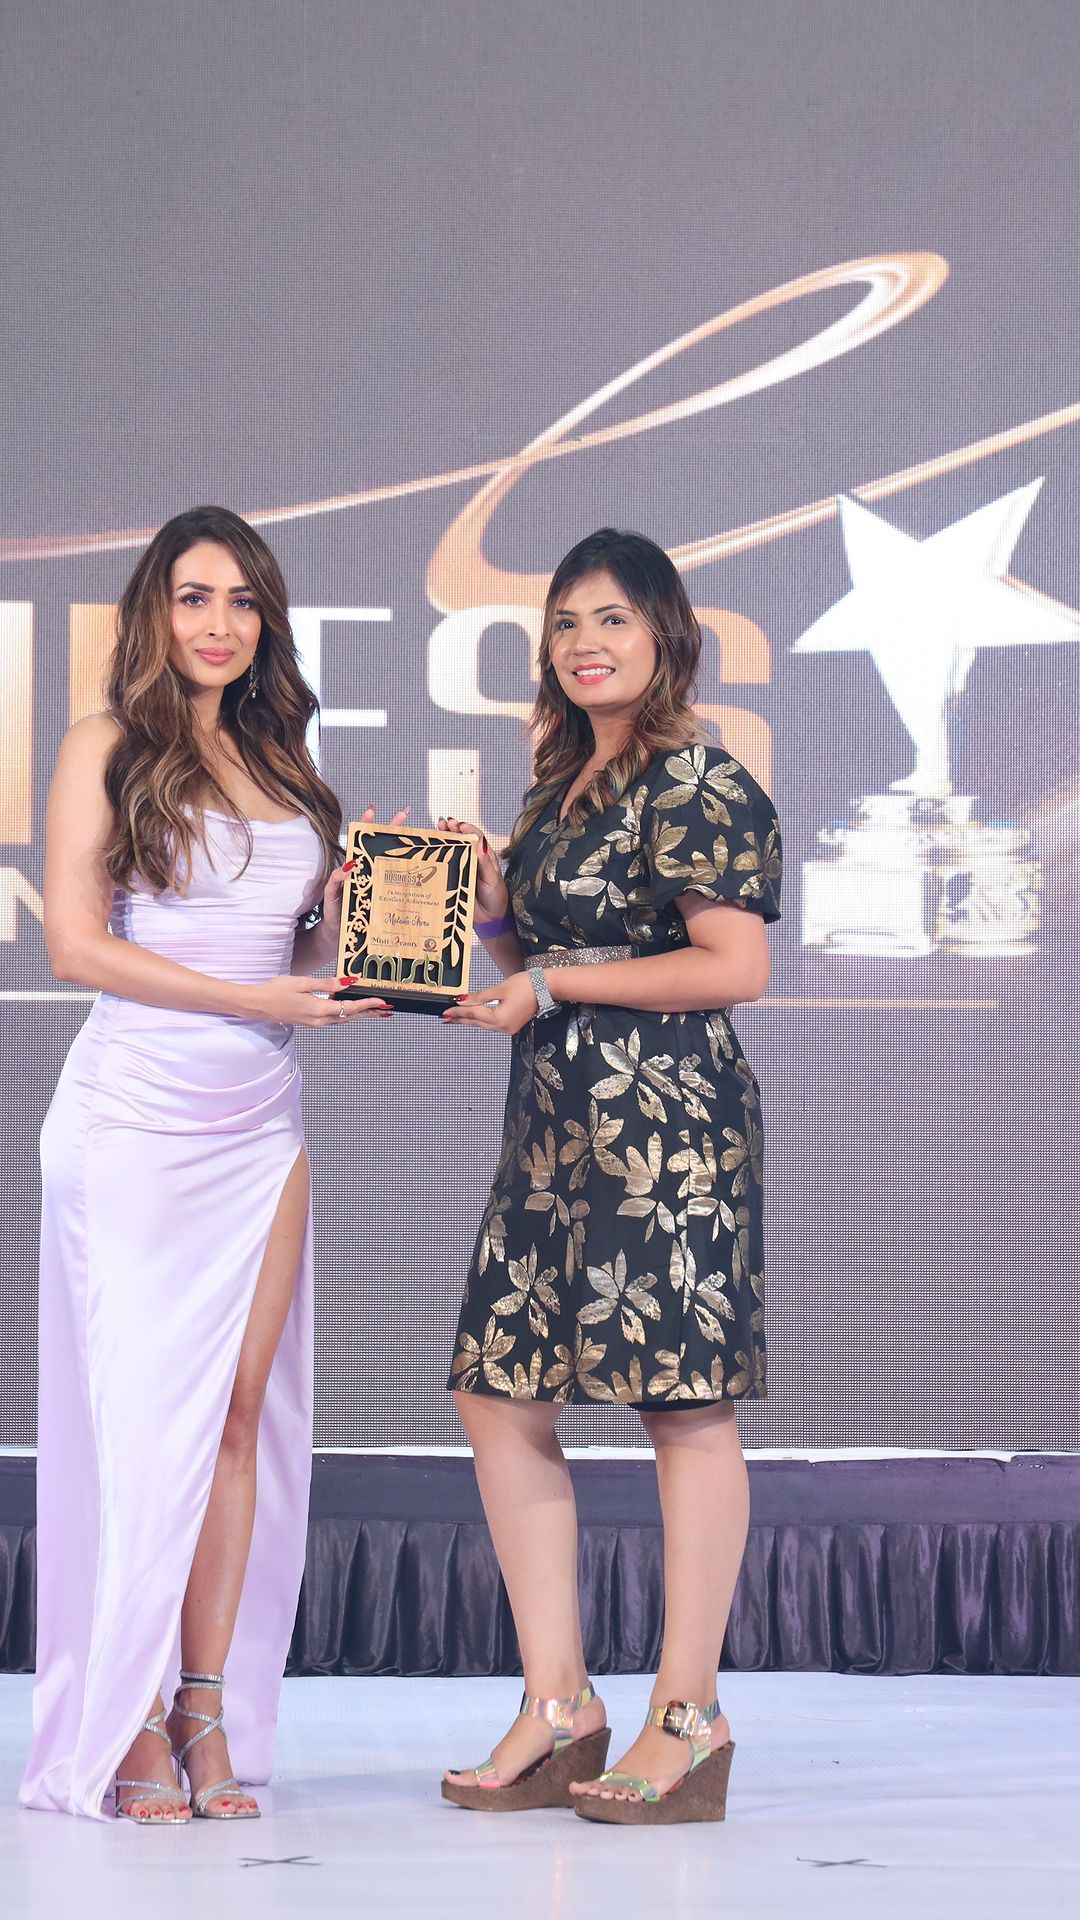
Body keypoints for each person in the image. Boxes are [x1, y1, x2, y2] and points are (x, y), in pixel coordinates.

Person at [20, 506, 395, 1823]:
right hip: (133, 1119)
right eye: (194, 596)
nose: (219, 622)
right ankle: (124, 1716)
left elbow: (297, 964)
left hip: (261, 1122)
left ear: (266, 619)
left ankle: (201, 1708)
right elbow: (75, 945)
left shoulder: (286, 762)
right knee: (143, 1426)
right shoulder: (104, 744)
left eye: (242, 599)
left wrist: (353, 927)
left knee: (238, 1418)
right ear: (154, 610)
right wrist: (257, 1000)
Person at [438, 527, 780, 1825]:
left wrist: (547, 979)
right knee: (496, 1389)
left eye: (614, 619)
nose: (586, 644)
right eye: (567, 623)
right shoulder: (555, 784)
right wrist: (485, 911)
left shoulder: (698, 776)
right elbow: (537, 961)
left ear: (667, 636)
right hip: (556, 1127)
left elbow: (732, 966)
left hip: (667, 1129)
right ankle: (561, 1705)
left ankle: (688, 1716)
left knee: (682, 1407)